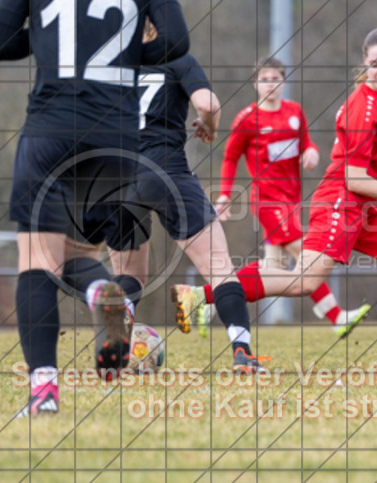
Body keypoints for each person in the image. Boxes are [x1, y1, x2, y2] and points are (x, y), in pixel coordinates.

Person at [0, 0, 191, 416]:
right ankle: (104, 293)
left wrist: (51, 39)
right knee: (81, 250)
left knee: (38, 260)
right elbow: (176, 43)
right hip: (117, 138)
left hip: (51, 128)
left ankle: (44, 390)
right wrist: (126, 52)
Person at [210, 26, 377, 370]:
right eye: (375, 65)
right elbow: (354, 178)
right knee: (304, 281)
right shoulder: (362, 106)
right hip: (340, 202)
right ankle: (207, 294)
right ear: (364, 63)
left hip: (363, 208)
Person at [95, 25, 263, 373]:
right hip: (165, 171)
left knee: (129, 276)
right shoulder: (176, 58)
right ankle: (242, 352)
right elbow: (208, 103)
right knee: (219, 268)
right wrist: (209, 125)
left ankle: (115, 346)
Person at [206, 57, 369, 337]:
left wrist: (312, 152)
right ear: (255, 84)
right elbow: (230, 158)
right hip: (267, 201)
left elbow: (307, 144)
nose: (270, 85)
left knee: (274, 269)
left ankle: (206, 298)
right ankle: (337, 316)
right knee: (306, 253)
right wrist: (224, 195)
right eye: (264, 80)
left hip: (292, 201)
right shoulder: (247, 118)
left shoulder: (294, 111)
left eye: (275, 79)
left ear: (283, 81)